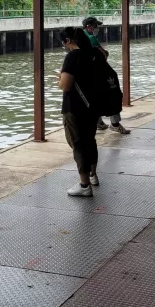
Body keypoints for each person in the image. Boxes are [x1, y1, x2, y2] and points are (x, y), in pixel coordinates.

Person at [58, 26, 102, 197]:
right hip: (94, 105)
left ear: (68, 41)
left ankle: (84, 185)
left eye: (64, 42)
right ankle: (93, 176)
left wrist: (59, 80)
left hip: (75, 107)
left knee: (78, 143)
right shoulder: (95, 54)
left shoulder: (72, 56)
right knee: (90, 140)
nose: (64, 45)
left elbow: (66, 85)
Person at [82, 16, 130, 134]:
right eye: (95, 26)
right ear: (89, 26)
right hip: (100, 72)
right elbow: (104, 54)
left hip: (87, 74)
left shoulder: (80, 37)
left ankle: (98, 122)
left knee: (94, 97)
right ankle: (115, 124)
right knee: (113, 94)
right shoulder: (91, 38)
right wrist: (105, 53)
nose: (96, 28)